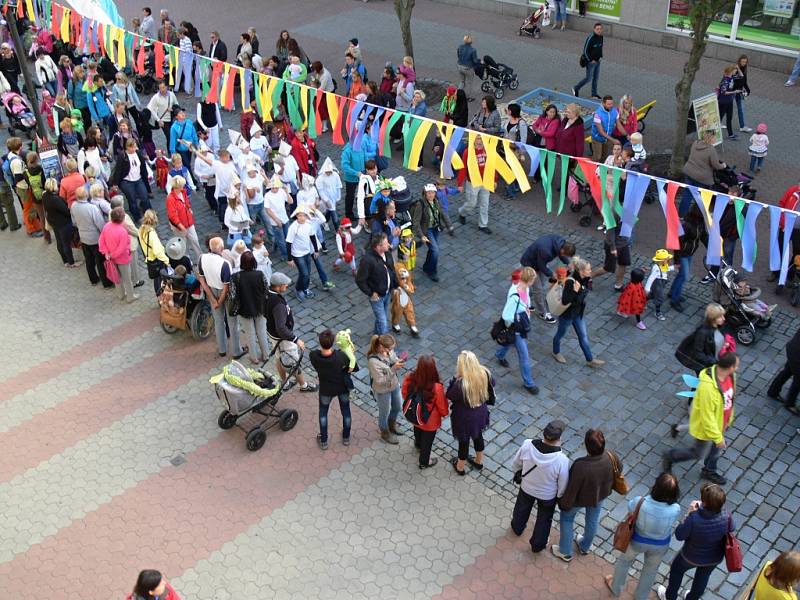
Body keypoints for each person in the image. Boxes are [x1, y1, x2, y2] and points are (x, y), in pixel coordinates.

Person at [663, 351, 739, 485]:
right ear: (730, 367)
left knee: (716, 449)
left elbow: (730, 399)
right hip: (707, 426)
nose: (737, 368)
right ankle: (670, 456)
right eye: (736, 365)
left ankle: (709, 470)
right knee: (697, 453)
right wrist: (717, 437)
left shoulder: (731, 376)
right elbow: (707, 417)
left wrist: (727, 421)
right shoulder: (708, 388)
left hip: (721, 423)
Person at [605, 473, 682, 600]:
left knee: (624, 562)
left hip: (637, 540)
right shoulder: (676, 509)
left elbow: (630, 508)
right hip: (660, 545)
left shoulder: (641, 502)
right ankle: (641, 596)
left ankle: (616, 588)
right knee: (650, 571)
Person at [656, 484, 733, 600]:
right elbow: (732, 528)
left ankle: (670, 597)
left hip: (690, 556)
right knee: (703, 577)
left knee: (677, 571)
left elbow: (679, 535)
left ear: (704, 503)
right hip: (714, 558)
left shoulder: (694, 518)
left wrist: (689, 514)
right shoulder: (726, 516)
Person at [552, 429, 616, 561]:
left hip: (580, 500)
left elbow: (572, 489)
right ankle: (585, 546)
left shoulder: (581, 466)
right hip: (599, 496)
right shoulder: (611, 456)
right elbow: (618, 470)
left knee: (567, 519)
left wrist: (563, 504)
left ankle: (565, 551)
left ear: (586, 446)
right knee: (592, 520)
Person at [510, 420, 570, 553]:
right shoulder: (562, 460)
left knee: (521, 509)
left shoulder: (527, 445)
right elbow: (563, 484)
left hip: (526, 488)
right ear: (559, 439)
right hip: (547, 496)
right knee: (544, 519)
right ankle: (538, 544)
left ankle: (517, 527)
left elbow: (516, 464)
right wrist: (559, 495)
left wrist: (518, 473)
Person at [264, 271, 317, 392]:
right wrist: (296, 339)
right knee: (294, 362)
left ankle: (285, 382)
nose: (287, 286)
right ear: (278, 286)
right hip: (283, 338)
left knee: (278, 357)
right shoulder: (278, 304)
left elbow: (263, 312)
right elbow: (281, 328)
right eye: (285, 284)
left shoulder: (266, 293)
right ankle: (303, 386)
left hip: (272, 334)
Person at [197, 237, 247, 359]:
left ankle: (222, 349)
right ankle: (236, 351)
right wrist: (219, 301)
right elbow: (226, 287)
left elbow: (202, 280)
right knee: (232, 323)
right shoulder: (225, 264)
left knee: (218, 321)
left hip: (211, 290)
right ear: (221, 249)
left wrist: (214, 300)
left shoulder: (201, 258)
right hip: (224, 293)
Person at [447, 350, 493, 475]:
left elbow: (450, 395)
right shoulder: (484, 373)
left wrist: (454, 379)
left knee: (464, 442)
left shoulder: (460, 384)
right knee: (478, 436)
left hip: (464, 417)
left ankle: (460, 467)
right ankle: (478, 462)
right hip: (480, 413)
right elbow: (492, 384)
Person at [495, 267, 540, 395]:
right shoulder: (515, 295)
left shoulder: (525, 288)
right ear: (529, 280)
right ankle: (529, 383)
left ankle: (499, 355)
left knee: (509, 342)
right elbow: (506, 315)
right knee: (524, 355)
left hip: (519, 327)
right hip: (516, 329)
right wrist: (518, 320)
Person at [553, 258, 605, 367]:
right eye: (588, 270)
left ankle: (589, 359)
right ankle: (556, 352)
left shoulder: (585, 280)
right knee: (560, 334)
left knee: (583, 336)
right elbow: (566, 300)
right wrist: (576, 292)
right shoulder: (570, 282)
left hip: (578, 314)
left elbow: (584, 294)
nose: (591, 271)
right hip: (567, 315)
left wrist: (580, 292)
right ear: (581, 271)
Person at [402, 355, 448, 469]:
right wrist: (445, 413)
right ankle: (424, 462)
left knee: (417, 429)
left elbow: (404, 394)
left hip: (415, 415)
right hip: (430, 421)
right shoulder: (436, 387)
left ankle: (417, 444)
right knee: (427, 443)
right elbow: (442, 407)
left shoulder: (410, 378)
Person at [309, 328, 352, 450]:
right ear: (333, 342)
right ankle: (346, 437)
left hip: (326, 390)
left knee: (323, 414)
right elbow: (351, 366)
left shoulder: (314, 356)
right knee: (346, 411)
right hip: (342, 387)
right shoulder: (341, 356)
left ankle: (324, 441)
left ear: (320, 342)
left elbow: (314, 352)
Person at [520, 234, 576, 323]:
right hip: (529, 264)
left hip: (537, 261)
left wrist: (567, 263)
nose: (564, 256)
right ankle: (543, 313)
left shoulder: (560, 242)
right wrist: (551, 274)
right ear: (562, 249)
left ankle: (524, 300)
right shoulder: (546, 251)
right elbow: (541, 266)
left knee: (540, 285)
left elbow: (561, 254)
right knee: (538, 289)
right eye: (565, 254)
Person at [286, 205, 333, 299]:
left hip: (307, 252)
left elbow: (312, 237)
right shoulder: (293, 227)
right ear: (297, 216)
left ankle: (305, 288)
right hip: (297, 254)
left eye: (304, 215)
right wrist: (290, 259)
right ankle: (298, 289)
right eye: (300, 215)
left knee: (308, 272)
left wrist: (315, 250)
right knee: (304, 273)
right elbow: (288, 243)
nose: (302, 217)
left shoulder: (308, 225)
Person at [71, 187, 114, 288]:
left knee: (89, 260)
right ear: (86, 195)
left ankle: (93, 279)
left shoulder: (73, 206)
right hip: (95, 239)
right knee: (100, 261)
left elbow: (74, 222)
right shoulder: (92, 208)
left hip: (83, 237)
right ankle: (106, 283)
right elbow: (100, 224)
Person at [410, 183, 453, 282]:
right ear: (425, 193)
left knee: (433, 250)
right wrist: (421, 236)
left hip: (435, 228)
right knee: (435, 250)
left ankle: (426, 267)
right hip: (427, 230)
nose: (431, 195)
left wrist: (449, 225)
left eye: (433, 192)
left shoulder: (436, 201)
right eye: (429, 193)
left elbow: (442, 213)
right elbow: (416, 222)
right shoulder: (420, 205)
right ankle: (432, 271)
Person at [356, 233, 398, 335]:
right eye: (385, 243)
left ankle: (377, 336)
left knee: (381, 317)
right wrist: (371, 293)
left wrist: (395, 286)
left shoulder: (387, 253)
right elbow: (360, 280)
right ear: (378, 247)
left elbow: (392, 270)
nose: (388, 244)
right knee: (383, 322)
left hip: (387, 293)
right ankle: (386, 347)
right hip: (377, 296)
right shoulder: (367, 260)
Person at [233, 250, 270, 364]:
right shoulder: (260, 274)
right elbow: (266, 290)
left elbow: (233, 295)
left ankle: (253, 357)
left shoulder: (235, 277)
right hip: (260, 307)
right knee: (262, 331)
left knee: (250, 334)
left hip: (244, 309)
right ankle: (266, 355)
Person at [367, 333, 405, 445]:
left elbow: (393, 359)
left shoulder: (389, 351)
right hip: (382, 390)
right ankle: (385, 433)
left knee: (397, 406)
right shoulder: (373, 361)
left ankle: (392, 425)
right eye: (390, 348)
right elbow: (379, 380)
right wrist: (393, 369)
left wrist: (399, 360)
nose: (392, 350)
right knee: (384, 412)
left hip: (394, 385)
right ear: (382, 346)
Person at [679, 130, 726, 216]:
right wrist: (723, 165)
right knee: (704, 197)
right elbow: (716, 165)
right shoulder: (711, 150)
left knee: (687, 195)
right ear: (711, 138)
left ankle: (681, 215)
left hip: (689, 172)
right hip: (702, 178)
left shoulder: (695, 143)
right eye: (715, 137)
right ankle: (699, 215)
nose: (716, 138)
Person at [674, 302, 729, 374]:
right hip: (705, 366)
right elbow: (698, 353)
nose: (723, 318)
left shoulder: (719, 326)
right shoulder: (702, 333)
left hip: (715, 361)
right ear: (712, 318)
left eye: (723, 315)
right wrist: (714, 361)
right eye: (720, 317)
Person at [668, 204, 704, 312]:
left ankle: (672, 292)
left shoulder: (699, 223)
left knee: (681, 275)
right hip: (683, 254)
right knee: (684, 276)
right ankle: (674, 300)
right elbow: (677, 244)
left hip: (689, 253)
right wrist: (677, 260)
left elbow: (703, 235)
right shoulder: (686, 225)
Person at [99, 207, 138, 303]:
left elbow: (101, 241)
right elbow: (122, 248)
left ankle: (121, 294)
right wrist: (113, 255)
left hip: (111, 259)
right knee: (127, 279)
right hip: (122, 259)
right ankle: (130, 297)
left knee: (117, 278)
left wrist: (107, 253)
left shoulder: (106, 226)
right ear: (122, 218)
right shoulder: (122, 231)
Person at [456, 135, 492, 234]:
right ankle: (462, 213)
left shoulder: (488, 150)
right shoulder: (468, 152)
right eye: (477, 139)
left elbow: (492, 166)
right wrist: (460, 183)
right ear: (473, 140)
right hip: (473, 182)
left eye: (481, 139)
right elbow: (463, 168)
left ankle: (483, 225)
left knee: (485, 204)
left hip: (486, 181)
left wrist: (495, 180)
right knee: (471, 203)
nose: (479, 141)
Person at [109, 139, 151, 223]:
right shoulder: (123, 156)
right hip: (127, 181)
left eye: (136, 146)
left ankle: (149, 213)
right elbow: (118, 170)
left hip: (138, 179)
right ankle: (137, 217)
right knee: (132, 199)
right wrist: (115, 184)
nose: (136, 148)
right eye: (134, 147)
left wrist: (145, 177)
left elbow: (142, 167)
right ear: (128, 147)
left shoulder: (138, 154)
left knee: (144, 196)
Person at [42, 178, 78, 267]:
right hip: (63, 223)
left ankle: (65, 261)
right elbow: (66, 211)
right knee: (66, 243)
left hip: (54, 222)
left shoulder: (45, 195)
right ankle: (71, 262)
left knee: (59, 242)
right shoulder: (55, 199)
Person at [768, 326, 800, 415]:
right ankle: (790, 403)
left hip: (793, 348)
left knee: (788, 370)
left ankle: (773, 391)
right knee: (798, 381)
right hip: (798, 355)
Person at [573, 23, 604, 99]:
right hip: (591, 63)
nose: (599, 30)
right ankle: (576, 88)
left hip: (598, 61)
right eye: (597, 29)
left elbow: (600, 48)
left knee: (596, 78)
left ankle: (594, 94)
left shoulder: (601, 37)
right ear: (594, 29)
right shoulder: (590, 38)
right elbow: (585, 51)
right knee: (588, 78)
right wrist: (590, 60)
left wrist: (600, 57)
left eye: (600, 29)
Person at [146, 81, 179, 149]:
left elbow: (176, 105)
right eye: (160, 88)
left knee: (175, 135)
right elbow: (150, 108)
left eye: (163, 87)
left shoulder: (171, 94)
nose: (162, 90)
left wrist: (172, 109)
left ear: (166, 87)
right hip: (163, 120)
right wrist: (158, 120)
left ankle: (175, 150)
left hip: (172, 119)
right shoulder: (156, 97)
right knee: (169, 136)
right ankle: (171, 152)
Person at [589, 95, 618, 162]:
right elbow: (601, 131)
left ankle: (600, 169)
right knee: (597, 157)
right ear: (603, 103)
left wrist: (626, 135)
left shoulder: (614, 111)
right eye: (608, 104)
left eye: (612, 104)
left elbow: (618, 125)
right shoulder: (597, 114)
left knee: (604, 156)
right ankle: (592, 169)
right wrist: (613, 140)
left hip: (606, 138)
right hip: (597, 138)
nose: (611, 106)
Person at [717, 65, 743, 140]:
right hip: (723, 102)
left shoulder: (732, 77)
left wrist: (738, 68)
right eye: (735, 70)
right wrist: (734, 91)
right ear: (731, 71)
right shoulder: (725, 80)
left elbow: (741, 76)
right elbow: (724, 92)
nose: (736, 71)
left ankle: (730, 134)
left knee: (729, 117)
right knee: (719, 117)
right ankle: (712, 133)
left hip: (729, 101)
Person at [456, 35, 481, 100]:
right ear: (471, 42)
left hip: (459, 66)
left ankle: (458, 94)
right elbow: (475, 61)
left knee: (462, 81)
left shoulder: (460, 47)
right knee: (469, 83)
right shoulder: (473, 50)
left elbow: (458, 55)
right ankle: (467, 97)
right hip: (468, 68)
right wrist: (480, 61)